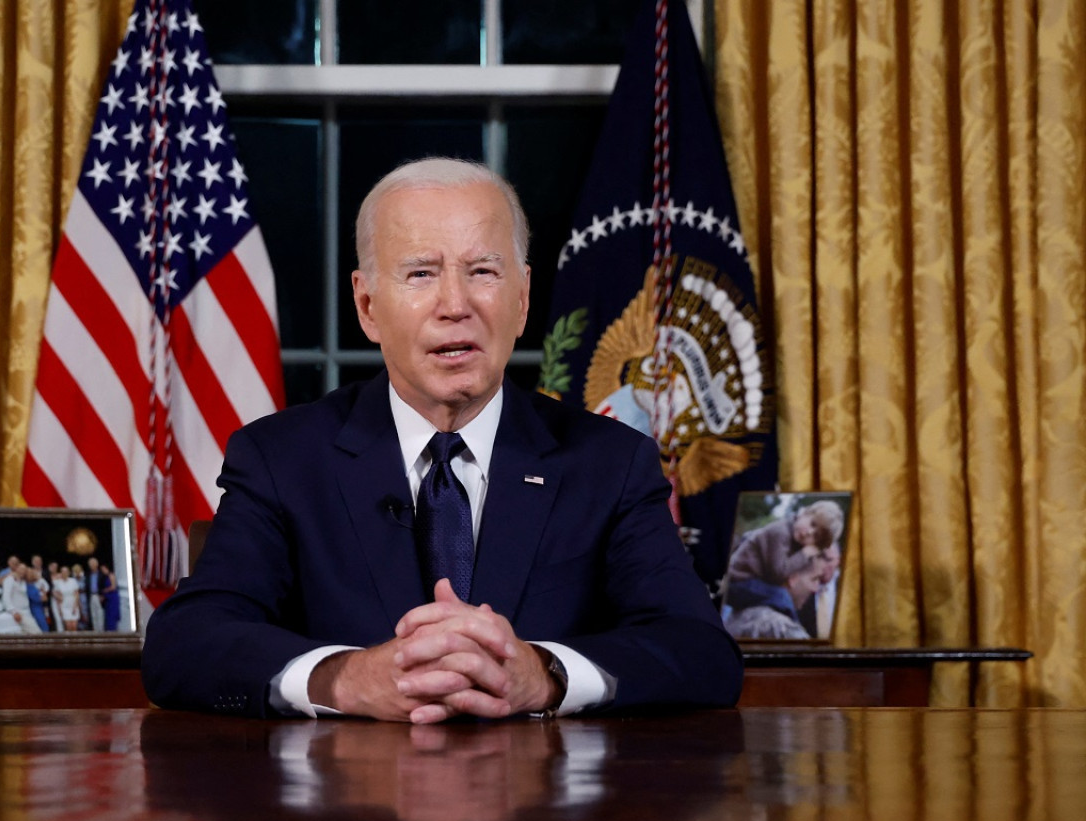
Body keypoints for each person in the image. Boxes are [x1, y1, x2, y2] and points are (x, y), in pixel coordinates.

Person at [142, 157, 742, 722]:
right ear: (368, 305)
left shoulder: (610, 463)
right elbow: (185, 644)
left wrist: (544, 674)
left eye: (482, 271)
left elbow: (699, 651)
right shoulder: (281, 460)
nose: (455, 305)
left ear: (523, 297)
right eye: (421, 274)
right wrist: (346, 679)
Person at [721, 500, 845, 638]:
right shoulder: (779, 532)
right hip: (737, 582)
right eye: (812, 524)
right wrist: (805, 553)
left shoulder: (792, 537)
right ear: (804, 513)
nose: (809, 532)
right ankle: (792, 627)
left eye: (816, 536)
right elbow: (778, 573)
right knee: (780, 596)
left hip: (746, 583)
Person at [723, 553, 824, 640]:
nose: (816, 588)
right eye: (814, 579)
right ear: (793, 578)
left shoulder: (735, 616)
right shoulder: (781, 629)